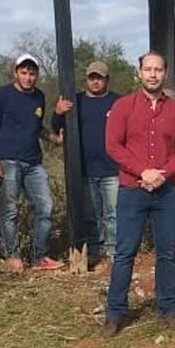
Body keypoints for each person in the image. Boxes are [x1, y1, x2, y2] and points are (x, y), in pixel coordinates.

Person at [103, 52, 175, 337]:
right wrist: (143, 171)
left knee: (166, 253)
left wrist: (162, 174)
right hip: (133, 189)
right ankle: (115, 313)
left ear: (165, 73)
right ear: (139, 72)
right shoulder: (122, 107)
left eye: (158, 69)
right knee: (124, 253)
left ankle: (169, 309)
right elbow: (113, 145)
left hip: (166, 192)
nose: (152, 74)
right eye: (147, 69)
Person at [0, 53, 62, 272]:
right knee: (10, 210)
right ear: (16, 72)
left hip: (34, 162)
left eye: (32, 73)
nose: (28, 77)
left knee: (46, 207)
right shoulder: (2, 95)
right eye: (24, 72)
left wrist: (56, 139)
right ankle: (13, 255)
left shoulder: (39, 97)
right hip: (9, 160)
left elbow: (37, 127)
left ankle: (40, 256)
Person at [52, 60, 120, 268]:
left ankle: (114, 252)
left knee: (114, 213)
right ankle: (95, 251)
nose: (95, 81)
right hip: (85, 170)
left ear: (106, 79)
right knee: (91, 215)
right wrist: (58, 112)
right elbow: (56, 128)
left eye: (99, 77)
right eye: (92, 77)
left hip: (112, 169)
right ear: (86, 79)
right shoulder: (75, 101)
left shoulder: (118, 102)